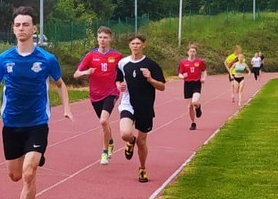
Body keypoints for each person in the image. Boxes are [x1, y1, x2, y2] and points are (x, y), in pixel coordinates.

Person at [0, 6, 73, 199]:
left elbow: (60, 84)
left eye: (26, 24)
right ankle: (34, 158)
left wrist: (66, 108)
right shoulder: (4, 58)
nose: (21, 28)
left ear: (34, 29)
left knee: (28, 173)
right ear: (13, 29)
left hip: (37, 123)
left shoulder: (47, 59)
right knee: (15, 175)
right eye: (18, 25)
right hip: (12, 124)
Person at [116, 34, 166, 183]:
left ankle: (142, 168)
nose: (135, 46)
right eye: (133, 43)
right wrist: (119, 86)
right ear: (129, 46)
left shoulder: (152, 65)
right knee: (125, 133)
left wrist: (150, 79)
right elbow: (118, 80)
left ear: (144, 45)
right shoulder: (122, 63)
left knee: (142, 142)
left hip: (145, 107)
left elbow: (162, 87)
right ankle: (131, 141)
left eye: (138, 43)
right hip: (128, 104)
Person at [74, 26, 124, 164]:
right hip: (95, 95)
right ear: (97, 39)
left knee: (103, 121)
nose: (102, 40)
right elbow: (76, 74)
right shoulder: (91, 55)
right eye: (100, 37)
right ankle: (110, 141)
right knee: (104, 124)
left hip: (111, 92)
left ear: (110, 39)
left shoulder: (117, 56)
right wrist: (86, 72)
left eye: (105, 37)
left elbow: (123, 72)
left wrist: (121, 83)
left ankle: (104, 153)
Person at [177, 43, 207, 130]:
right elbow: (180, 73)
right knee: (189, 106)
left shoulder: (199, 62)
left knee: (194, 102)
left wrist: (203, 78)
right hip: (187, 84)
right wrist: (182, 77)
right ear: (187, 52)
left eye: (194, 51)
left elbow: (204, 70)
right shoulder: (183, 62)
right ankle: (193, 123)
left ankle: (198, 106)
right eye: (190, 51)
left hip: (196, 83)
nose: (192, 53)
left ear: (196, 53)